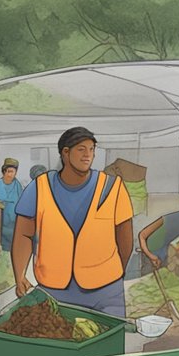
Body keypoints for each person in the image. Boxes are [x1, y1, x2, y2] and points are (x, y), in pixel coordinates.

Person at [12, 126, 134, 318]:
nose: (88, 155)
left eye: (92, 149)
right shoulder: (39, 188)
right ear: (65, 153)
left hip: (106, 294)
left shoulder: (112, 187)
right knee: (58, 344)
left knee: (110, 346)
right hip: (54, 292)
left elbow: (125, 238)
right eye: (81, 149)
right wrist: (19, 275)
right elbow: (23, 234)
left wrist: (114, 273)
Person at [0, 158, 24, 254]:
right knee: (4, 249)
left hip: (15, 221)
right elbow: (0, 202)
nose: (11, 174)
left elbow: (20, 199)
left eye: (13, 172)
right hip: (2, 220)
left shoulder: (17, 184)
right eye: (8, 171)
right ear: (4, 171)